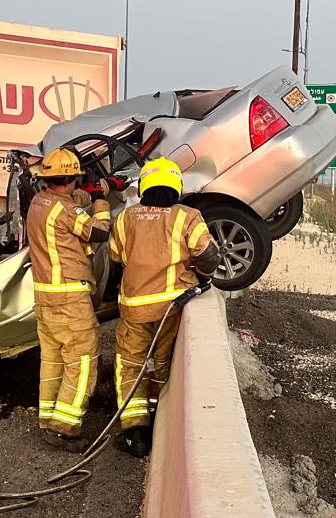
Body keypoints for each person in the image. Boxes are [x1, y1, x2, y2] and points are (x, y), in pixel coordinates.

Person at [107, 157, 221, 457]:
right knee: (163, 364)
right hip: (171, 306)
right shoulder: (187, 217)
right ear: (176, 186)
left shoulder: (126, 218)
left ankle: (135, 432)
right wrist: (200, 277)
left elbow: (115, 258)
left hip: (133, 307)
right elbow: (209, 258)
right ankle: (159, 419)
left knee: (130, 366)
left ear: (144, 185)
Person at [25, 146, 111, 444]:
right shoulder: (64, 210)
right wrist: (101, 200)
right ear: (73, 177)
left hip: (46, 295)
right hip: (69, 295)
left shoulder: (40, 201)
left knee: (53, 360)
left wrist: (89, 192)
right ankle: (65, 426)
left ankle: (49, 418)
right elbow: (98, 231)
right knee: (83, 358)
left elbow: (72, 202)